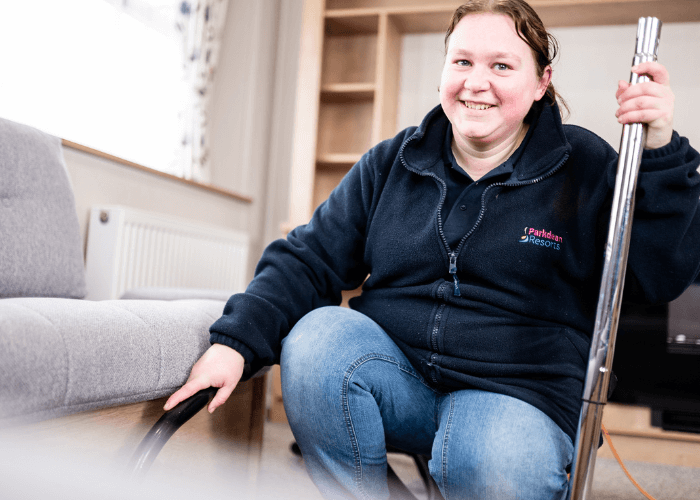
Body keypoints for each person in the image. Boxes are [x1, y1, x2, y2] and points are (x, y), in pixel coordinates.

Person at [166, 1, 700, 498]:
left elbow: (657, 276)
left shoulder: (585, 164)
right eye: (462, 61)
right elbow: (310, 256)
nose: (476, 83)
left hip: (518, 393)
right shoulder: (394, 160)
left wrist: (659, 149)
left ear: (542, 82)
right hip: (401, 375)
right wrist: (234, 342)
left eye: (502, 66)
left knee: (484, 458)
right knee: (315, 339)